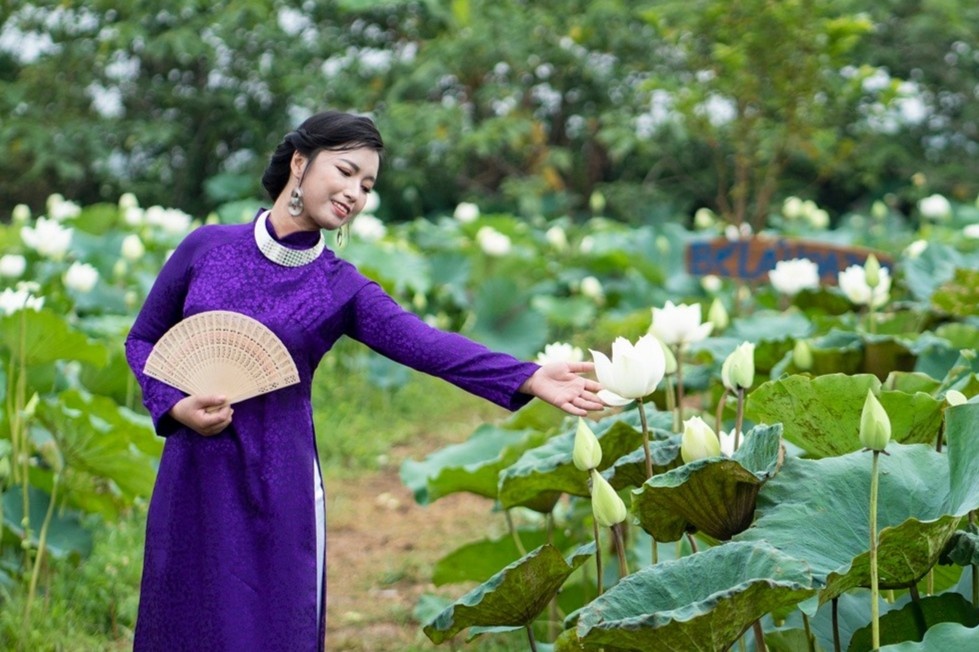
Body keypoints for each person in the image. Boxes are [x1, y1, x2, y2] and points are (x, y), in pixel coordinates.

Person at [124, 110, 604, 651]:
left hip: (277, 482)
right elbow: (142, 340)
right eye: (347, 171)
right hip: (195, 471)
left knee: (266, 627)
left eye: (368, 184)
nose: (356, 192)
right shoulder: (206, 248)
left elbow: (426, 344)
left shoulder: (339, 287)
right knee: (181, 621)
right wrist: (174, 406)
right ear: (300, 163)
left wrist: (530, 376)